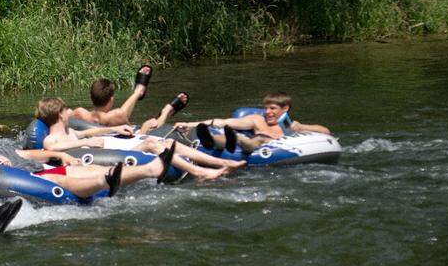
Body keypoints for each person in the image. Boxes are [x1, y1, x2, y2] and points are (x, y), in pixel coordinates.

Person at [0, 114, 171, 199]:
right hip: (32, 180)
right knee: (63, 180)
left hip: (37, 171)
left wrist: (58, 154)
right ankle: (109, 181)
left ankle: (150, 170)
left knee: (84, 169)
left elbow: (26, 153)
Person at [36, 98, 242, 180]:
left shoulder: (70, 130)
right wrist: (82, 143)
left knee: (168, 142)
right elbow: (60, 147)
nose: (70, 112)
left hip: (115, 144)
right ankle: (199, 171)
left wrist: (116, 128)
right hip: (111, 152)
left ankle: (221, 162)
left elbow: (89, 133)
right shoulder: (51, 140)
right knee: (153, 144)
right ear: (60, 115)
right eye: (66, 110)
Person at [176, 91, 332, 153]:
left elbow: (326, 132)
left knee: (260, 138)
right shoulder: (257, 120)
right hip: (253, 146)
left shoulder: (292, 126)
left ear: (285, 108)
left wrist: (301, 127)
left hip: (281, 150)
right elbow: (222, 122)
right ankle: (210, 139)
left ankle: (236, 139)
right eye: (266, 108)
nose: (268, 112)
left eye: (273, 108)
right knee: (254, 137)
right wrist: (189, 125)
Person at [70, 66, 190, 133]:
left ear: (91, 97)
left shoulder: (79, 113)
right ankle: (166, 111)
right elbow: (121, 115)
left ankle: (138, 92)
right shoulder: (117, 115)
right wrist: (144, 128)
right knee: (152, 123)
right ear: (111, 99)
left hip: (112, 126)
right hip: (132, 137)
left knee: (120, 114)